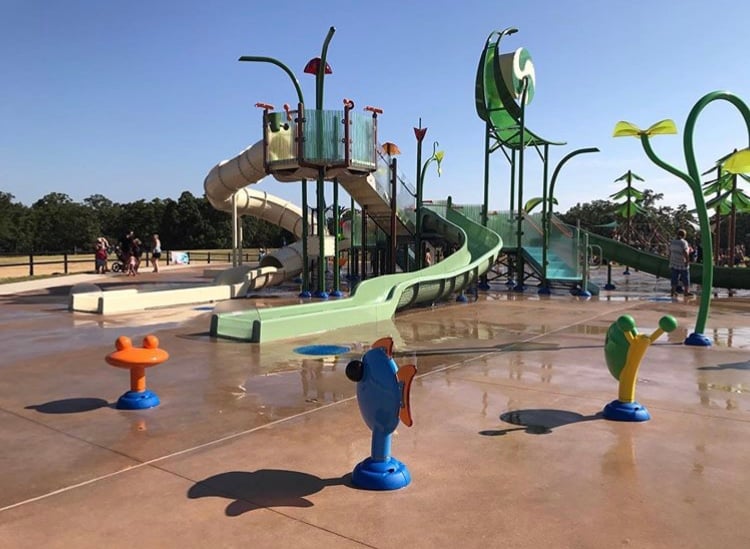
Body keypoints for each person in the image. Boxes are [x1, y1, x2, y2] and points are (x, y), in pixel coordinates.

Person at [669, 229, 692, 296]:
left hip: (673, 262)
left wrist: (670, 259)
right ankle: (686, 291)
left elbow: (670, 252)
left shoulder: (672, 242)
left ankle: (673, 291)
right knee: (685, 277)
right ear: (684, 235)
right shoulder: (684, 242)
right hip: (682, 263)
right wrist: (687, 261)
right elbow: (685, 252)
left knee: (674, 278)